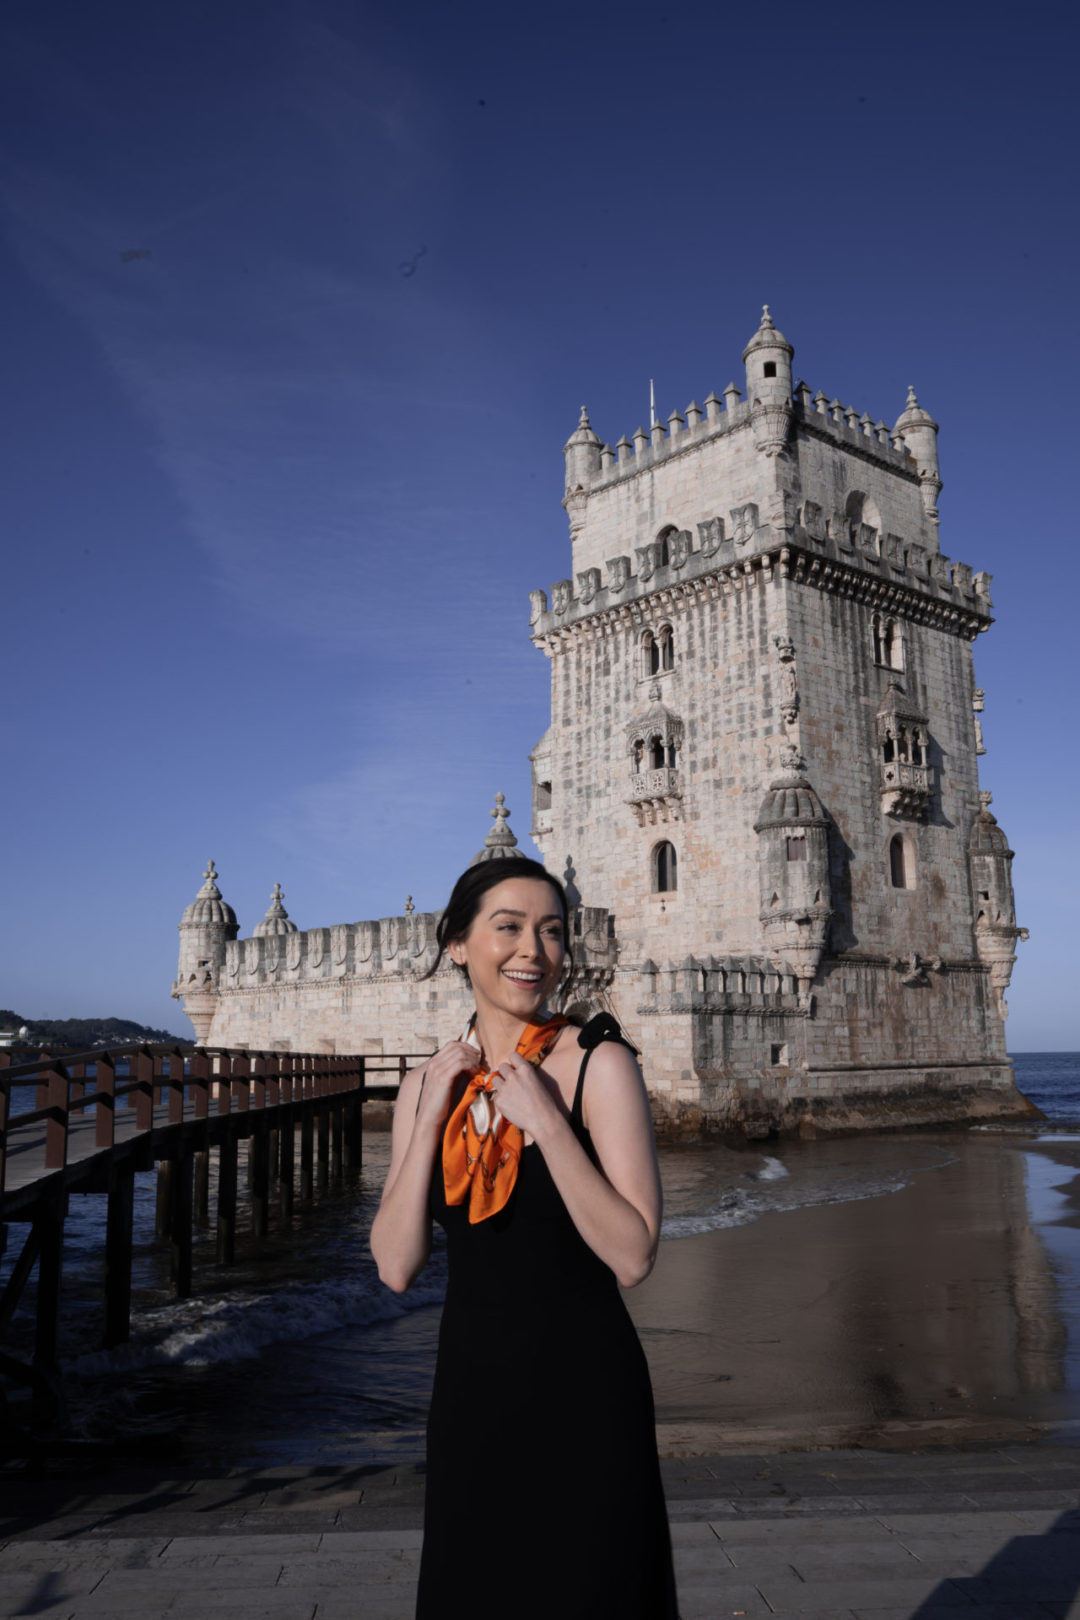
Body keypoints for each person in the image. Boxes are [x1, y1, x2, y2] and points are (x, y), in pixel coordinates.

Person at [370, 854, 678, 1619]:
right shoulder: (427, 1084)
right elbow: (397, 1264)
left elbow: (634, 1254)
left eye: (550, 931)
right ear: (458, 944)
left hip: (587, 1390)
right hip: (472, 1391)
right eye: (507, 928)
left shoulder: (597, 1064)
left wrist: (547, 1122)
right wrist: (430, 1103)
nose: (531, 951)